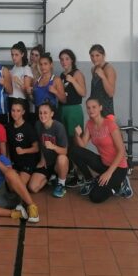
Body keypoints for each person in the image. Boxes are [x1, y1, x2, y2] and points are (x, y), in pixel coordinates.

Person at [71, 98, 132, 203]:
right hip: (103, 164)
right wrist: (76, 135)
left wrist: (109, 173)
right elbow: (82, 146)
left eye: (94, 107)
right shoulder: (89, 124)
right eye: (88, 108)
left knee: (95, 197)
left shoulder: (110, 124)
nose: (91, 110)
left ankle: (120, 185)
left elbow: (121, 151)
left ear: (100, 108)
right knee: (74, 150)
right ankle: (89, 180)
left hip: (118, 168)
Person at [28, 102, 69, 198]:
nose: (42, 115)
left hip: (58, 164)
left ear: (52, 114)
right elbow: (41, 143)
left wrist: (53, 146)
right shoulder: (38, 124)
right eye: (40, 113)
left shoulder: (59, 127)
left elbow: (65, 151)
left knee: (62, 159)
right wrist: (42, 159)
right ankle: (51, 178)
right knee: (32, 188)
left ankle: (61, 184)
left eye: (45, 113)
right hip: (47, 162)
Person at [58, 49, 86, 187]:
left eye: (67, 58)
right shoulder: (61, 75)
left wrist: (73, 81)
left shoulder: (77, 73)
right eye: (62, 59)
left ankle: (81, 175)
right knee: (66, 142)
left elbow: (83, 92)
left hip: (74, 110)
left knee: (76, 141)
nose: (64, 61)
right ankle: (71, 172)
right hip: (63, 110)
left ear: (72, 60)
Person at [6, 100, 40, 185]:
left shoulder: (28, 128)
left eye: (18, 111)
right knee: (11, 186)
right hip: (14, 163)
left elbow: (36, 148)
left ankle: (30, 177)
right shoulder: (9, 127)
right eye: (13, 110)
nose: (15, 113)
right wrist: (8, 161)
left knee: (18, 185)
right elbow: (7, 145)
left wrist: (23, 151)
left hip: (27, 162)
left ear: (23, 112)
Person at [89, 44, 116, 118]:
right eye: (92, 56)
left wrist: (103, 77)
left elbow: (111, 93)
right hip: (95, 109)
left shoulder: (109, 69)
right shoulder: (93, 69)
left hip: (106, 110)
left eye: (97, 55)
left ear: (103, 55)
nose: (94, 58)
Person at [9, 41, 33, 119]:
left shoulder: (26, 69)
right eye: (12, 55)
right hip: (12, 100)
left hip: (21, 102)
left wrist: (19, 82)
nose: (14, 57)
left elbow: (27, 93)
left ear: (22, 54)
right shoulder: (13, 68)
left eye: (16, 55)